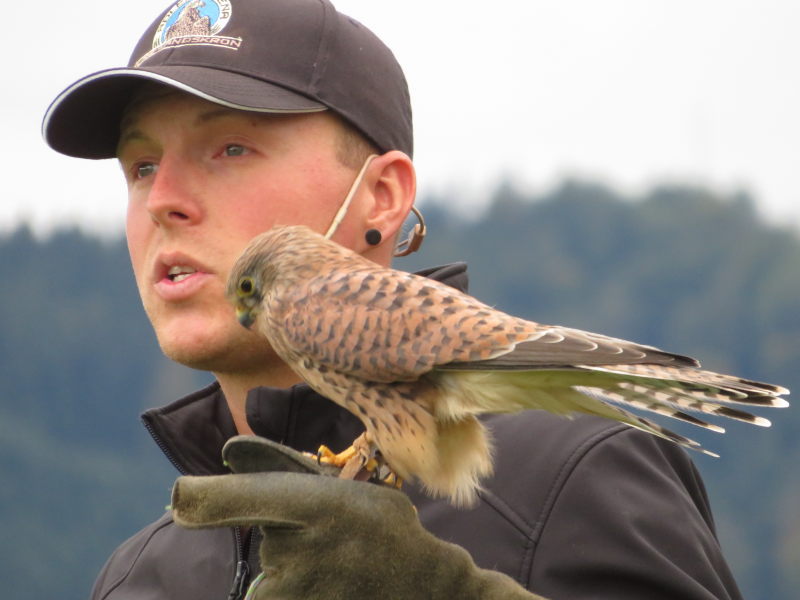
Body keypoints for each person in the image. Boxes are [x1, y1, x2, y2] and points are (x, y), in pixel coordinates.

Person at [43, 1, 744, 598]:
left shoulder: (572, 479)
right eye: (140, 166)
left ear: (381, 196)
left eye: (229, 148)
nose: (164, 200)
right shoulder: (139, 576)